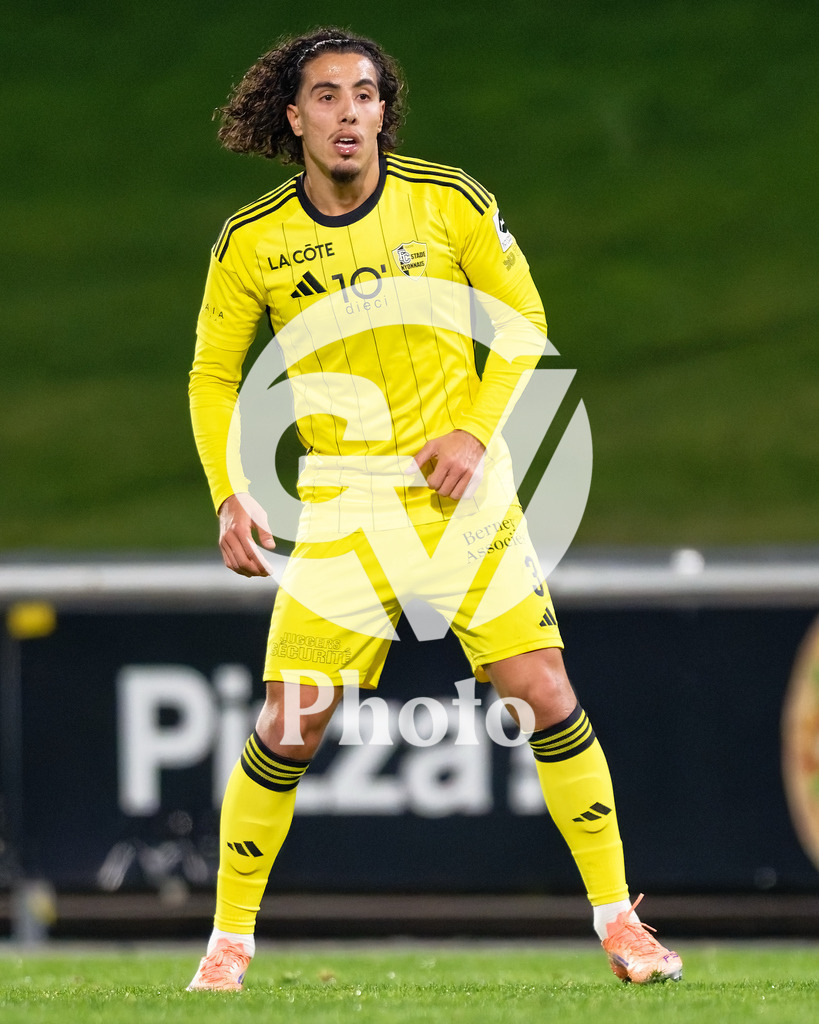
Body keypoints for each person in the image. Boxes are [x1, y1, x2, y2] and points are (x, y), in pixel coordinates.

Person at [186, 27, 682, 991]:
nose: (348, 114)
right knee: (291, 720)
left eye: (364, 95)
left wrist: (470, 433)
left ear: (383, 112)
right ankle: (228, 943)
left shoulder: (448, 202)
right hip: (340, 504)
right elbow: (213, 373)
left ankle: (621, 924)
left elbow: (525, 321)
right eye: (326, 97)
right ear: (294, 119)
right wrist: (229, 491)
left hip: (460, 497)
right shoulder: (252, 242)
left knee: (540, 689)